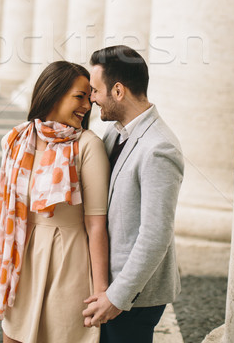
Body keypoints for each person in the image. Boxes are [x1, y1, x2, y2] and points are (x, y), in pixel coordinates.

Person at [0, 61, 110, 343]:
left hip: (69, 263)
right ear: (53, 93)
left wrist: (102, 290)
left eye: (89, 98)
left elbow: (96, 225)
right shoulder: (16, 140)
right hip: (21, 259)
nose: (86, 105)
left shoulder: (87, 145)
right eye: (79, 96)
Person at [83, 45, 184, 343]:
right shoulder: (114, 131)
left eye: (94, 90)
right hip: (108, 283)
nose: (91, 98)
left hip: (134, 297)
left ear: (117, 90)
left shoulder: (159, 148)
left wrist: (116, 297)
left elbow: (155, 235)